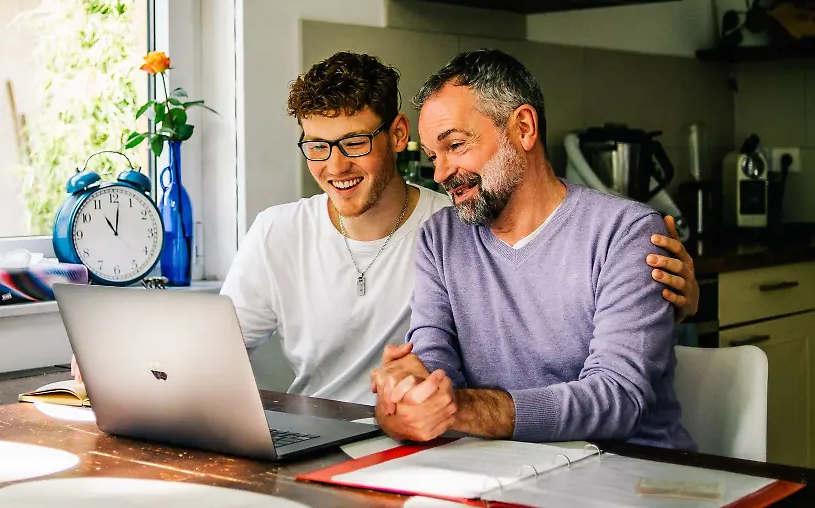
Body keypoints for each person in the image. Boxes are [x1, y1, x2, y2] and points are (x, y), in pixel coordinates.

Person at [72, 51, 701, 407]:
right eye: (315, 148)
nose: (333, 167)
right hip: (355, 441)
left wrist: (667, 303)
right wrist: (128, 366)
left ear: (395, 137)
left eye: (351, 143)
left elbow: (587, 343)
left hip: (450, 444)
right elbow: (210, 349)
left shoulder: (456, 220)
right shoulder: (291, 233)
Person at [371, 49, 696, 451]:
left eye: (455, 145)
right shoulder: (441, 238)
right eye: (433, 156)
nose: (440, 174)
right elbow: (436, 372)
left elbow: (618, 398)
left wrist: (459, 409)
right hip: (500, 469)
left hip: (631, 476)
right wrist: (408, 396)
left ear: (523, 127)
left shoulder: (625, 233)